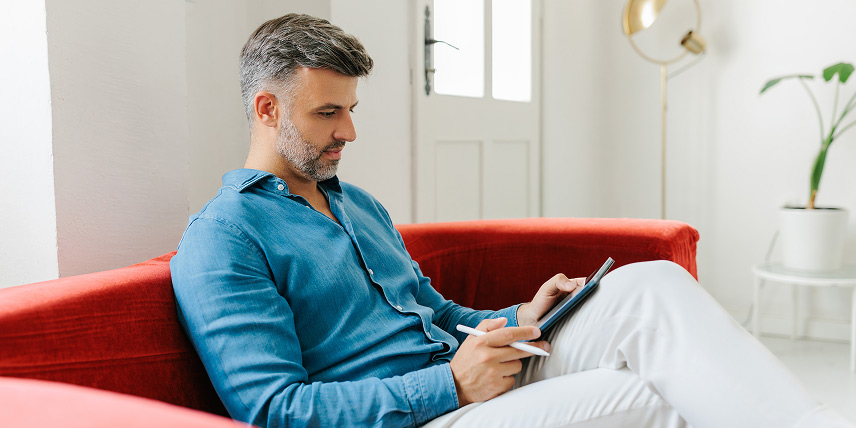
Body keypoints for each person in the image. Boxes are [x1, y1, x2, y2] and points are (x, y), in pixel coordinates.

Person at [170, 13, 854, 428]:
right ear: (266, 109)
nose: (349, 129)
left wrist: (521, 312)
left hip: (479, 379)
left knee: (650, 289)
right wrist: (450, 383)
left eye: (352, 109)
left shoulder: (358, 205)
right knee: (656, 393)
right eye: (328, 112)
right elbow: (272, 411)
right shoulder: (226, 237)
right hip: (426, 412)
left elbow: (435, 314)